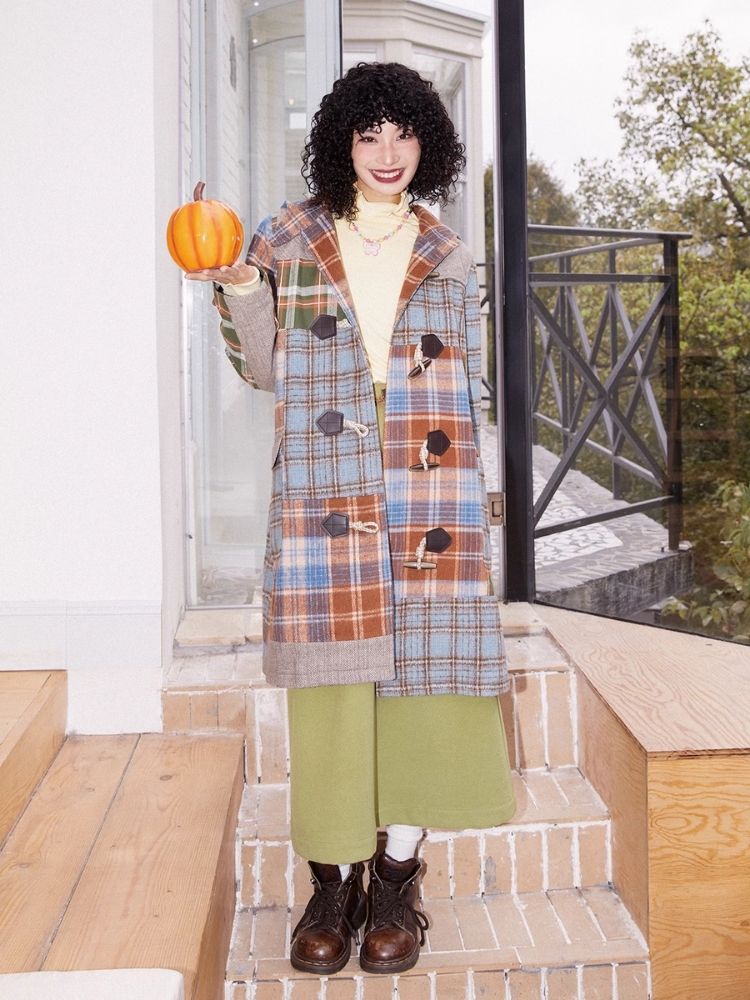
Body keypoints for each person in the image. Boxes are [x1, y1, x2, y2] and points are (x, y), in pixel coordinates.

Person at [188, 61, 516, 977]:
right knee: (330, 690)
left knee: (426, 683)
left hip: (427, 477)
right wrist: (239, 284)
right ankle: (332, 884)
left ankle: (397, 882)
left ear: (427, 145)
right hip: (326, 477)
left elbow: (466, 382)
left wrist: (477, 493)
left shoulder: (448, 250)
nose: (387, 152)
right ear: (342, 144)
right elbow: (261, 368)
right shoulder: (288, 237)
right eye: (368, 135)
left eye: (403, 134)